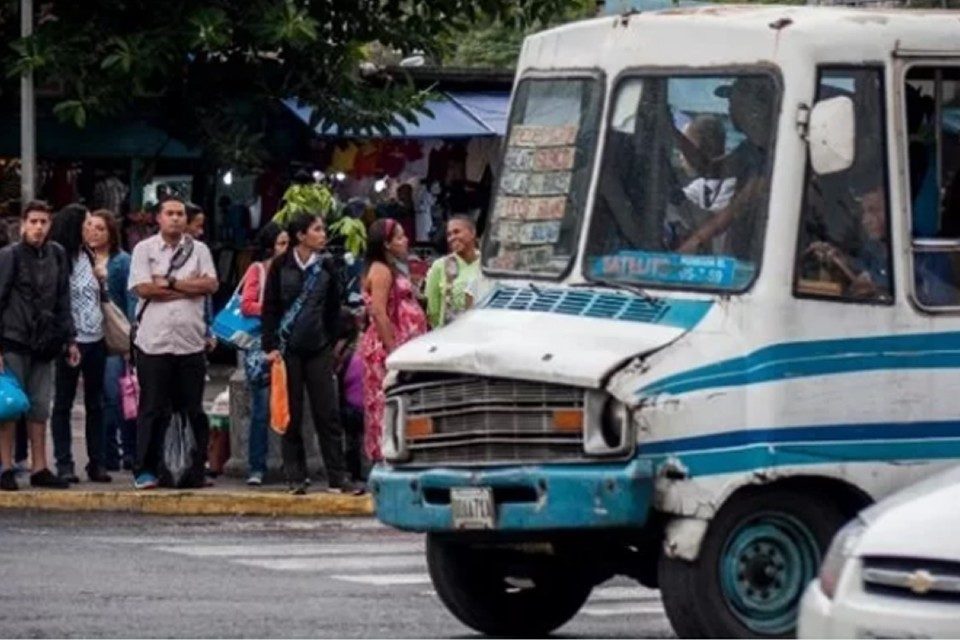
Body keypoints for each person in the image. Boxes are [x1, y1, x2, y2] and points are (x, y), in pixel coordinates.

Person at [261, 214, 357, 496]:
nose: (322, 234)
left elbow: (333, 309)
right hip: (286, 349)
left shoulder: (327, 266)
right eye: (316, 229)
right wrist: (270, 347)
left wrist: (332, 341)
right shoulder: (280, 266)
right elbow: (270, 309)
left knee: (327, 413)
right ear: (300, 236)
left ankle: (337, 477)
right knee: (291, 412)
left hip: (318, 348)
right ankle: (295, 475)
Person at [128, 195, 219, 490]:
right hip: (153, 343)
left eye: (180, 213)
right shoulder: (144, 249)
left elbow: (210, 285)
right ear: (159, 218)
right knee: (152, 408)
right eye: (170, 213)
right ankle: (145, 469)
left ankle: (194, 470)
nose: (176, 218)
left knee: (192, 409)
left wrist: (169, 283)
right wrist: (187, 287)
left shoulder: (199, 249)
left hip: (190, 343)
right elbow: (143, 288)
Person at [0, 200, 76, 491]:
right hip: (13, 340)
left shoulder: (57, 255)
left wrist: (70, 338)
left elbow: (63, 300)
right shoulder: (10, 256)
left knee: (40, 407)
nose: (38, 227)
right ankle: (6, 467)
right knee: (8, 407)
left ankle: (40, 467)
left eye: (44, 222)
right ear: (22, 224)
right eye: (33, 221)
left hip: (45, 344)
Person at [47, 204, 112, 484]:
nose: (90, 230)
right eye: (86, 224)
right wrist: (68, 337)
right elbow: (59, 301)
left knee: (96, 402)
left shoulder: (89, 255)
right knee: (63, 401)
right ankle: (64, 462)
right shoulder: (60, 257)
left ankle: (96, 461)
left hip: (95, 336)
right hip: (70, 339)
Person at [361, 218, 428, 463]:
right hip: (386, 349)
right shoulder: (381, 271)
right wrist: (393, 352)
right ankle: (386, 455)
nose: (406, 240)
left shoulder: (393, 268)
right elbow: (379, 312)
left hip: (401, 346)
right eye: (399, 237)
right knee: (387, 403)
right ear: (386, 244)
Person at [87, 210, 138, 472]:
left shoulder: (122, 262)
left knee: (119, 395)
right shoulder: (81, 260)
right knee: (98, 398)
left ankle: (128, 449)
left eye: (101, 228)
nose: (94, 232)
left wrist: (131, 339)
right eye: (90, 227)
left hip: (116, 337)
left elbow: (131, 300)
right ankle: (106, 452)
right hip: (89, 335)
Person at [239, 223, 289, 486]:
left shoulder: (295, 271)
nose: (286, 249)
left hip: (288, 343)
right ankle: (256, 466)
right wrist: (273, 309)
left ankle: (291, 464)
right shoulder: (258, 269)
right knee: (260, 408)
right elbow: (247, 305)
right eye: (281, 244)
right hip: (260, 345)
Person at [424, 216, 482, 329]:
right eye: (449, 234)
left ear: (472, 233)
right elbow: (433, 309)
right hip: (449, 336)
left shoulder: (486, 264)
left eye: (457, 232)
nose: (452, 238)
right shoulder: (440, 266)